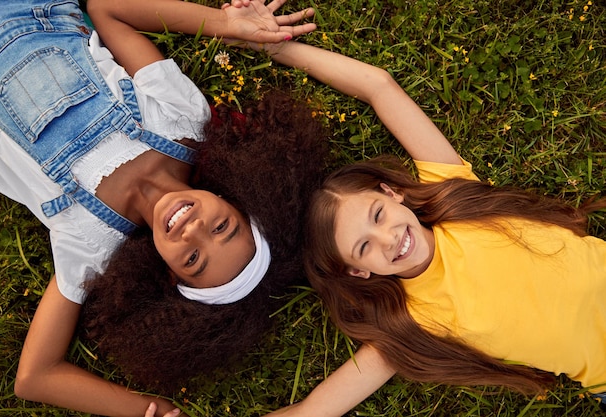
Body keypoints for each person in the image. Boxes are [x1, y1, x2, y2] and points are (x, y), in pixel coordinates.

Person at [222, 39, 604, 416]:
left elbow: (378, 86)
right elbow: (313, 412)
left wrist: (263, 43)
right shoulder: (414, 320)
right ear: (359, 271)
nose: (389, 238)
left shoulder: (456, 198)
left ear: (392, 193)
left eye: (377, 214)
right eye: (364, 247)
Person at [0, 0, 321, 415]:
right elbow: (108, 10)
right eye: (222, 228)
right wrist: (224, 23)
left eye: (193, 259)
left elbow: (35, 376)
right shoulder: (184, 122)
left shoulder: (91, 242)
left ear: (169, 273)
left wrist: (153, 412)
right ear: (234, 200)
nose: (192, 229)